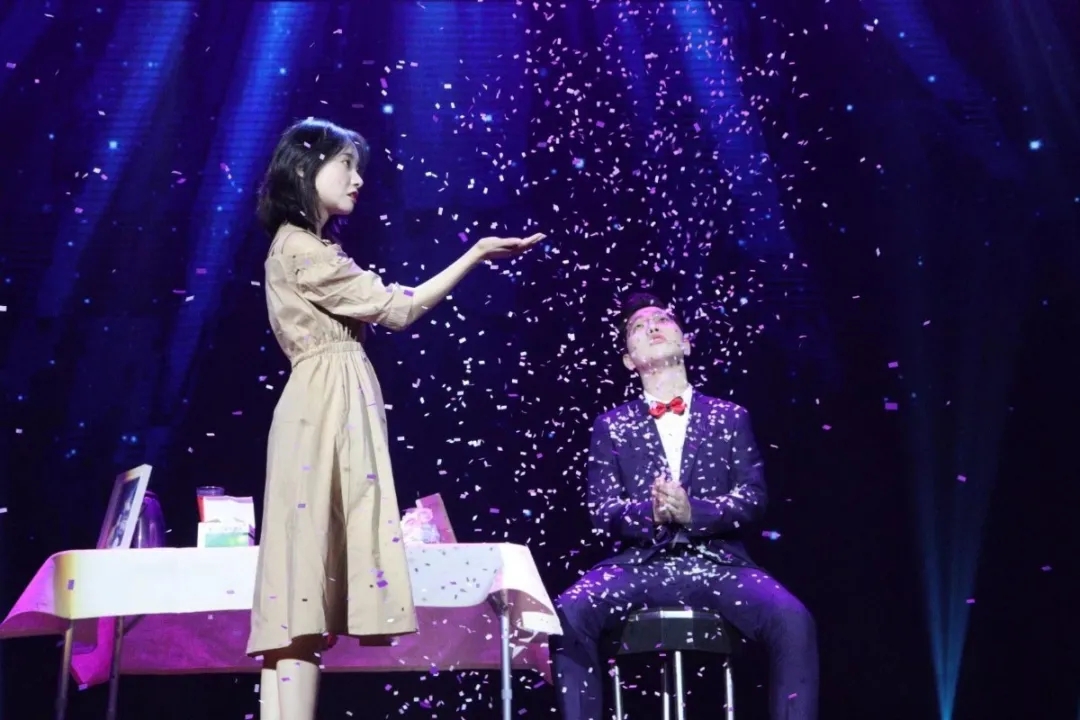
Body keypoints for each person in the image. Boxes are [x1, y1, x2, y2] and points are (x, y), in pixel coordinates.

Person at [246, 117, 543, 720]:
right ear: (306, 169)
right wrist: (475, 254)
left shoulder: (303, 246)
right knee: (302, 600)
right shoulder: (302, 248)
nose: (357, 179)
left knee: (301, 603)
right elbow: (397, 308)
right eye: (345, 165)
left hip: (324, 404)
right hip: (323, 411)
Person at [551, 292, 819, 720]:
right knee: (567, 612)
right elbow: (602, 510)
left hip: (719, 565)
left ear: (686, 343)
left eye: (662, 319)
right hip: (641, 565)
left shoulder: (730, 416)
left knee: (794, 620)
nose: (652, 326)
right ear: (629, 360)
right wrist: (650, 513)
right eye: (638, 327)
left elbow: (752, 498)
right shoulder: (611, 426)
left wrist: (694, 513)